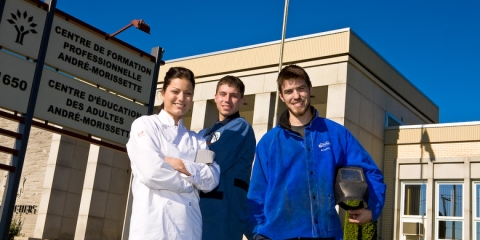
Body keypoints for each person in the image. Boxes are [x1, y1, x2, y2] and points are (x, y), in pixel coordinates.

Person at [246, 65, 386, 239]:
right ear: (281, 96)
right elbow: (256, 196)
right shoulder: (269, 143)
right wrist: (256, 234)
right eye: (289, 91)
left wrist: (372, 209)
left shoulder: (336, 134)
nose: (296, 96)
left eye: (301, 88)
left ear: (310, 89)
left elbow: (371, 172)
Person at [126, 67, 220, 240]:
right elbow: (152, 172)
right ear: (163, 93)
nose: (181, 98)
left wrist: (182, 165)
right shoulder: (145, 126)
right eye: (175, 91)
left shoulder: (198, 140)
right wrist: (190, 183)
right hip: (153, 228)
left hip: (189, 229)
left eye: (188, 93)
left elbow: (212, 178)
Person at [199, 75, 256, 240]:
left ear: (241, 100)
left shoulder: (240, 127)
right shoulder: (205, 133)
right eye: (223, 94)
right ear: (215, 97)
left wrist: (192, 157)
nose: (227, 99)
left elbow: (212, 159)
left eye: (233, 95)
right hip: (200, 212)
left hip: (224, 213)